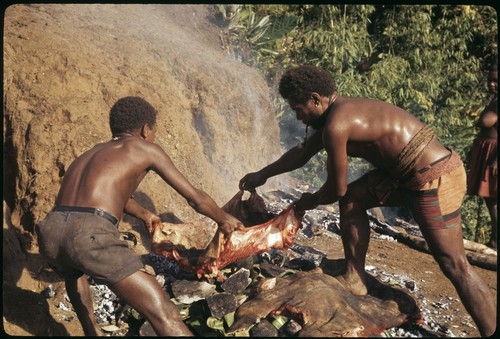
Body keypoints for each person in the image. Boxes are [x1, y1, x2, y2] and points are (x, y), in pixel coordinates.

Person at [239, 65, 496, 336]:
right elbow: (302, 153)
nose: (298, 116)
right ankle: (355, 276)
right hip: (406, 177)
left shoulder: (338, 124)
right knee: (354, 198)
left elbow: (335, 189)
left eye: (298, 108)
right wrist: (262, 174)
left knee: (454, 265)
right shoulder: (335, 116)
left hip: (434, 178)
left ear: (315, 99)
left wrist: (306, 203)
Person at [35, 96, 243, 336]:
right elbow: (194, 198)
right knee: (166, 315)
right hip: (89, 234)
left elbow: (104, 198)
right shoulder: (144, 148)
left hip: (51, 230)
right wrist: (223, 218)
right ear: (146, 129)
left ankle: (91, 331)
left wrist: (145, 214)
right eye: (153, 131)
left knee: (74, 269)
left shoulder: (90, 153)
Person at [467, 59, 497, 250]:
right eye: (489, 80)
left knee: (494, 199)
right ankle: (494, 240)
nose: (491, 84)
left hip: (494, 153)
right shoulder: (493, 100)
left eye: (495, 80)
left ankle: (496, 241)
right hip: (486, 152)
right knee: (490, 200)